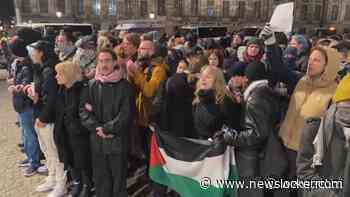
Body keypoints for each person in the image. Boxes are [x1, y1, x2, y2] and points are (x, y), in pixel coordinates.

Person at [223, 60, 284, 197]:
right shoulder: (267, 92)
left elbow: (257, 134)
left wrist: (230, 136)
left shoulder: (254, 99)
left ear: (247, 78)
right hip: (266, 153)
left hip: (253, 157)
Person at [80, 48, 136, 197]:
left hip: (117, 141)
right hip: (97, 141)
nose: (104, 64)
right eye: (101, 61)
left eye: (107, 61)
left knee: (118, 179)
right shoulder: (91, 85)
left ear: (114, 62)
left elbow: (127, 114)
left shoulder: (125, 86)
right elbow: (83, 111)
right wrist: (97, 128)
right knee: (100, 179)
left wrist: (107, 129)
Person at [24, 40, 66, 197]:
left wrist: (43, 117)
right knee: (47, 150)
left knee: (54, 152)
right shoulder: (43, 68)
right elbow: (44, 94)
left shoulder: (49, 69)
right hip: (42, 115)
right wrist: (35, 95)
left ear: (41, 52)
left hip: (49, 118)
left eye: (33, 50)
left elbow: (53, 98)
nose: (31, 53)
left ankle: (61, 183)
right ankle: (53, 178)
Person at [54, 62, 92, 197]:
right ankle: (78, 182)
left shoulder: (82, 89)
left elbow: (83, 112)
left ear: (68, 74)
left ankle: (87, 185)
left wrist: (76, 127)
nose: (56, 76)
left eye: (59, 73)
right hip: (65, 131)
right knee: (70, 157)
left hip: (79, 132)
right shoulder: (62, 89)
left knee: (82, 159)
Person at [8, 37, 41, 177]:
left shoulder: (27, 66)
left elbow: (26, 86)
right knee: (26, 134)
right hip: (21, 106)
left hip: (26, 105)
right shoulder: (22, 64)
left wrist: (15, 88)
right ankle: (30, 158)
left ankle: (34, 162)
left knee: (30, 135)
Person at [192, 66, 241, 140]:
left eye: (208, 77)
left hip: (220, 147)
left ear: (217, 81)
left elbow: (234, 128)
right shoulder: (198, 99)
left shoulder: (225, 101)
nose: (203, 79)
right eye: (202, 76)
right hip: (202, 146)